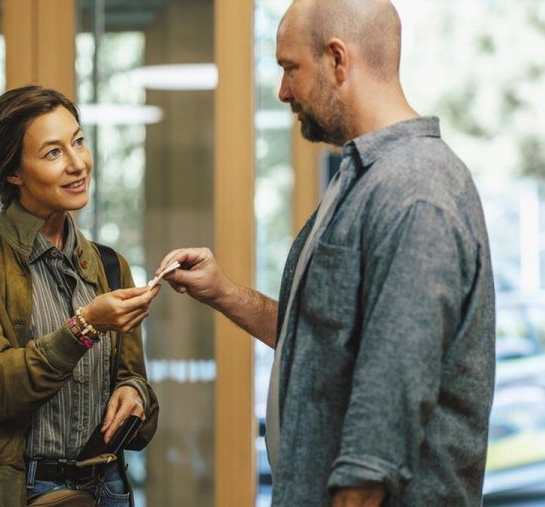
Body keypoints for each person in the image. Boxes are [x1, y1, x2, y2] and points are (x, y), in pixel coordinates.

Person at [158, 0, 495, 505]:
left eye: (290, 68)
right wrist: (224, 293)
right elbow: (322, 341)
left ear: (338, 60)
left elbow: (386, 408)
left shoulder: (415, 191)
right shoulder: (360, 180)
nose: (282, 90)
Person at [0, 85, 160, 507]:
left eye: (78, 141)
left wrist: (134, 393)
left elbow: (134, 379)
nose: (78, 164)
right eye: (53, 153)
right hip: (16, 489)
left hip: (105, 486)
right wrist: (85, 325)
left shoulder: (110, 265)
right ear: (13, 172)